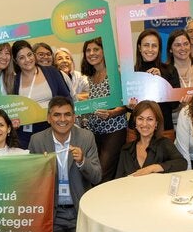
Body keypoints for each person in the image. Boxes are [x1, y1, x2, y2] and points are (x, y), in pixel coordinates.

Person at [28, 96, 101, 232]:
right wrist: (41, 168)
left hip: (80, 211)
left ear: (74, 117)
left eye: (67, 114)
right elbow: (31, 184)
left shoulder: (86, 137)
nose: (62, 119)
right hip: (53, 213)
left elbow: (97, 177)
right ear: (48, 118)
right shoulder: (37, 140)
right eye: (57, 115)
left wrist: (83, 161)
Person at [78, 37, 127, 182]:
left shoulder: (114, 74)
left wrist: (111, 113)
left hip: (113, 131)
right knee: (94, 171)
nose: (91, 53)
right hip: (94, 132)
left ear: (104, 52)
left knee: (103, 174)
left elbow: (125, 105)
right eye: (88, 50)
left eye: (96, 49)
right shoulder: (91, 76)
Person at [11, 40, 70, 148]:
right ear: (16, 61)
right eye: (21, 57)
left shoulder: (51, 72)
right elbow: (13, 109)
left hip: (52, 128)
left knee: (53, 163)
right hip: (26, 133)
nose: (27, 60)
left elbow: (66, 98)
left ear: (34, 55)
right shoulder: (14, 81)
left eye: (29, 55)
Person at [115, 101, 186, 178]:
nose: (144, 124)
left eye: (150, 119)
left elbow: (182, 163)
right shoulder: (126, 149)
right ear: (135, 121)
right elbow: (118, 179)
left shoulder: (164, 143)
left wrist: (153, 168)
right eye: (140, 119)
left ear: (156, 123)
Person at [133, 29, 180, 137]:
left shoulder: (170, 70)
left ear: (159, 49)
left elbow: (175, 104)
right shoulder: (132, 72)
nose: (150, 49)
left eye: (154, 46)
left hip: (164, 130)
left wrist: (162, 81)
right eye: (146, 45)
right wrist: (130, 106)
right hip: (137, 131)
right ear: (139, 48)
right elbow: (127, 105)